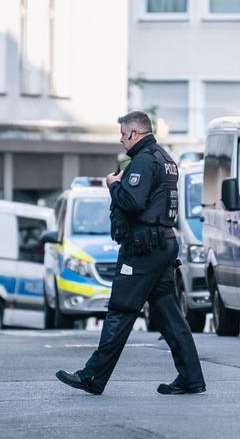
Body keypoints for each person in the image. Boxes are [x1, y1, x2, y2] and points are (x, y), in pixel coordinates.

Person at [55, 111, 206, 395]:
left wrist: (113, 186)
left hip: (142, 249)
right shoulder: (165, 159)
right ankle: (191, 377)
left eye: (123, 135)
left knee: (121, 310)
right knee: (169, 316)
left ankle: (92, 376)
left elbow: (132, 201)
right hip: (162, 244)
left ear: (135, 134)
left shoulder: (144, 161)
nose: (122, 141)